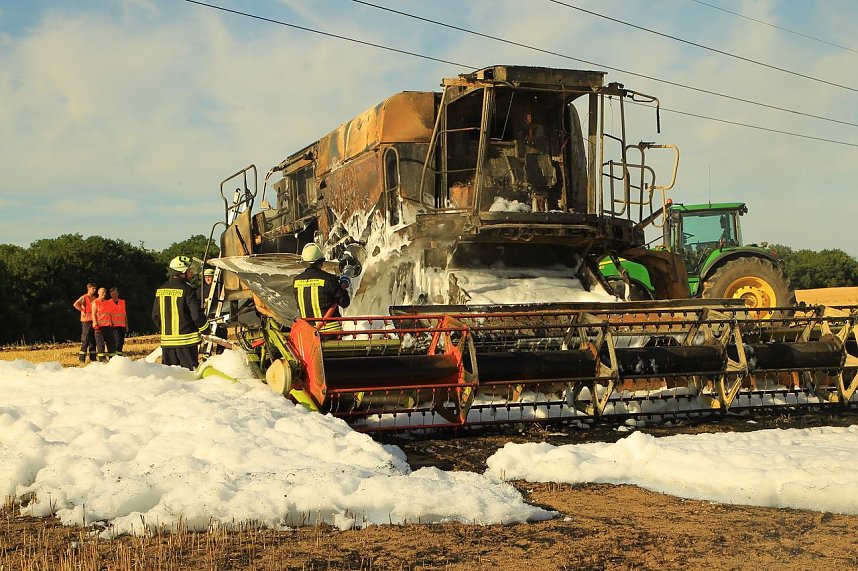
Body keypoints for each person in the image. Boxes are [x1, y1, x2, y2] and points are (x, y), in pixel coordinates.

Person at [152, 255, 210, 370]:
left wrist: (167, 331)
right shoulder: (188, 290)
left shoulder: (160, 290)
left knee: (170, 378)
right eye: (189, 270)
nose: (191, 273)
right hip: (186, 344)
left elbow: (155, 316)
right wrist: (205, 329)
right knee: (188, 377)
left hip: (167, 344)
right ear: (182, 272)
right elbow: (196, 315)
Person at [292, 243, 350, 331]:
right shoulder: (329, 280)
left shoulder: (296, 281)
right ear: (321, 262)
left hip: (308, 332)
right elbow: (345, 302)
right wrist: (342, 288)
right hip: (330, 332)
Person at [72, 282, 98, 363]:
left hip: (93, 321)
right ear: (88, 288)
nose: (94, 290)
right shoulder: (84, 297)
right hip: (86, 321)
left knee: (93, 340)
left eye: (95, 288)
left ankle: (93, 359)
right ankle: (81, 359)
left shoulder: (94, 298)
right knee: (85, 339)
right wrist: (83, 310)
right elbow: (75, 304)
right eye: (93, 288)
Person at [91, 287, 116, 362]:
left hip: (107, 326)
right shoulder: (95, 302)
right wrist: (95, 323)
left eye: (105, 292)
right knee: (100, 344)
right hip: (99, 327)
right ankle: (102, 359)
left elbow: (109, 313)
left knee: (111, 343)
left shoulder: (107, 302)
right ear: (98, 293)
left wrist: (111, 322)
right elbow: (93, 313)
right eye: (102, 292)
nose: (104, 294)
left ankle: (113, 359)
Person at [108, 287, 127, 356]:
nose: (114, 295)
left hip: (122, 325)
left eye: (115, 294)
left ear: (118, 294)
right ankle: (115, 355)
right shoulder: (108, 303)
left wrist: (126, 326)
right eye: (112, 294)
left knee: (121, 341)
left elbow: (125, 314)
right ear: (110, 294)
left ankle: (119, 354)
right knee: (117, 341)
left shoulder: (122, 302)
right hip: (113, 325)